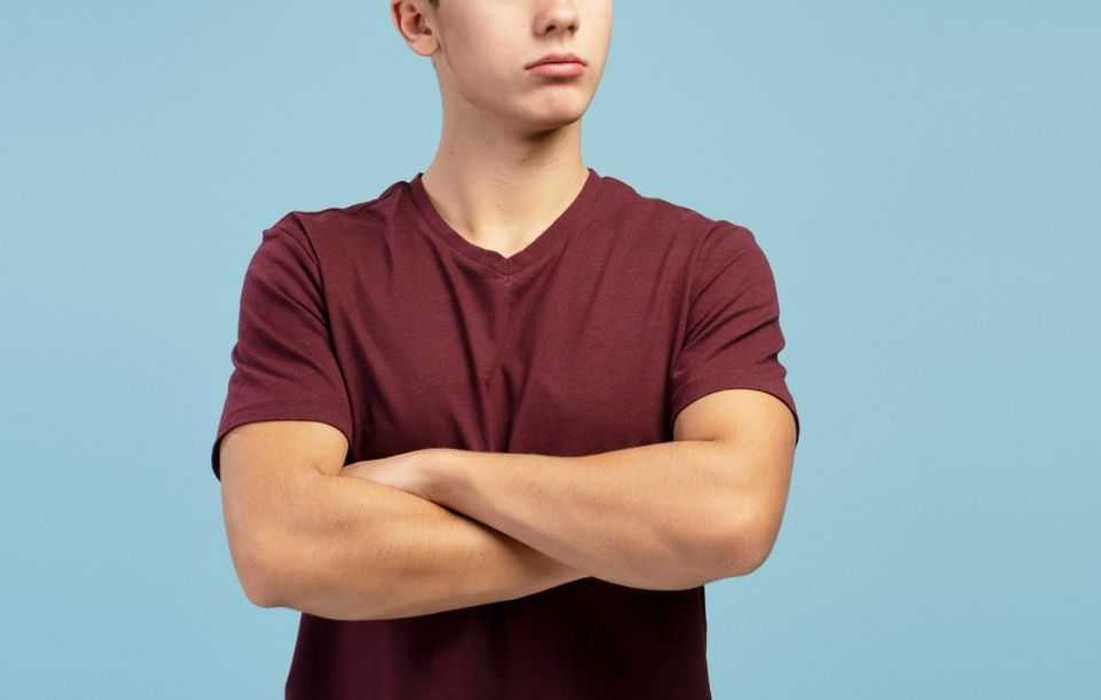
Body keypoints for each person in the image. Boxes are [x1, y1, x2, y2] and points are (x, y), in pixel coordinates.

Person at [211, 1, 799, 697]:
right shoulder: (312, 263)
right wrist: (635, 536)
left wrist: (438, 475)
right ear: (417, 22)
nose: (560, 16)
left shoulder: (705, 263)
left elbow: (730, 518)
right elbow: (282, 550)